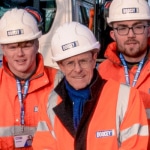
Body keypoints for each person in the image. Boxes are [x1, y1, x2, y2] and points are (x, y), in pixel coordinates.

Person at [32, 22, 148, 150]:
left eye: (83, 61)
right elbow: (44, 146)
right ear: (61, 66)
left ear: (93, 58)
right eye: (70, 63)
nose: (77, 69)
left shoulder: (127, 98)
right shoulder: (49, 102)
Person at [0, 8, 59, 149]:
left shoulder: (59, 82)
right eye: (13, 47)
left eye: (26, 46)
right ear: (3, 49)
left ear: (37, 45)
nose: (19, 53)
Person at [98, 0, 150, 148]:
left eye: (138, 27)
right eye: (122, 28)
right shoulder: (101, 73)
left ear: (148, 30)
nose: (131, 34)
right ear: (113, 34)